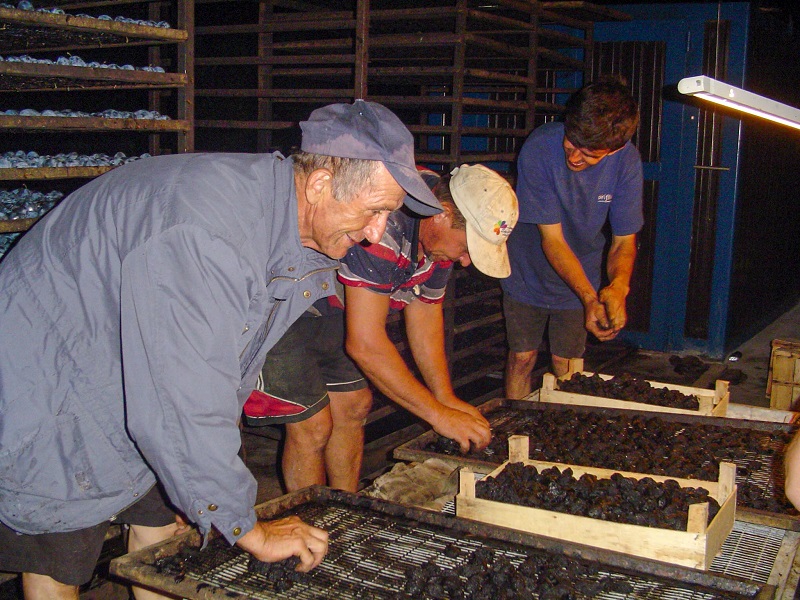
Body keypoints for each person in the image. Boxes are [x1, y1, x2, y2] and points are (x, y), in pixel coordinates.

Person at [0, 99, 442, 600]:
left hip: (127, 362)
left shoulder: (287, 228)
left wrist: (204, 486)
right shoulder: (210, 234)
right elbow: (182, 398)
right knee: (62, 549)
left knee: (163, 529)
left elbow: (217, 371)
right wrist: (247, 526)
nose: (376, 232)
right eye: (375, 210)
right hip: (54, 376)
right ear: (320, 184)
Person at [244, 164, 519, 492]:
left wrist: (444, 397)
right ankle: (311, 517)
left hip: (330, 298)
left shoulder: (438, 242)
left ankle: (345, 506)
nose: (465, 261)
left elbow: (425, 311)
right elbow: (364, 343)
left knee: (355, 405)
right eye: (467, 247)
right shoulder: (386, 223)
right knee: (312, 424)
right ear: (443, 214)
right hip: (280, 296)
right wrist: (438, 415)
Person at [502, 75, 643, 399]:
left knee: (566, 367)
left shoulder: (627, 162)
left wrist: (618, 287)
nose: (575, 158)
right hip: (527, 269)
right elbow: (552, 240)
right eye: (571, 144)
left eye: (589, 154)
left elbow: (624, 241)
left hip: (582, 268)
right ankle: (514, 425)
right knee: (522, 358)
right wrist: (590, 299)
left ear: (615, 149)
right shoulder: (540, 147)